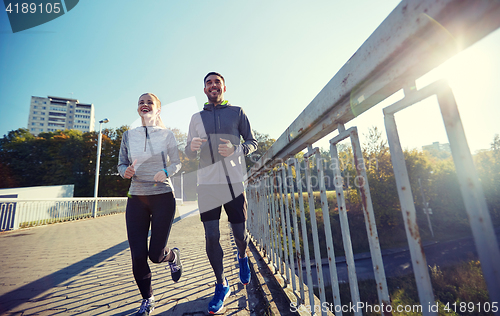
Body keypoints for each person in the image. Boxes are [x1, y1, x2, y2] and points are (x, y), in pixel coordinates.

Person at [185, 72, 258, 314]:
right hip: (206, 184)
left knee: (239, 233)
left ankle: (242, 256)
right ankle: (221, 283)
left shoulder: (237, 112)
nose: (213, 85)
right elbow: (187, 151)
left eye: (217, 82)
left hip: (234, 182)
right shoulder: (196, 118)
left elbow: (252, 142)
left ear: (224, 87)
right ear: (204, 89)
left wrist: (236, 149)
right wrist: (190, 147)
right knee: (211, 236)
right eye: (208, 83)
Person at [118, 93, 183, 316]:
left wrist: (165, 171)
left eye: (149, 102)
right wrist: (124, 172)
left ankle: (172, 256)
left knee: (156, 255)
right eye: (140, 102)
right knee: (137, 254)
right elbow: (121, 163)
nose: (144, 105)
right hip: (136, 198)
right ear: (138, 109)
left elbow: (177, 164)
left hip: (163, 197)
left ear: (158, 109)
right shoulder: (128, 135)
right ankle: (148, 299)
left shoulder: (167, 135)